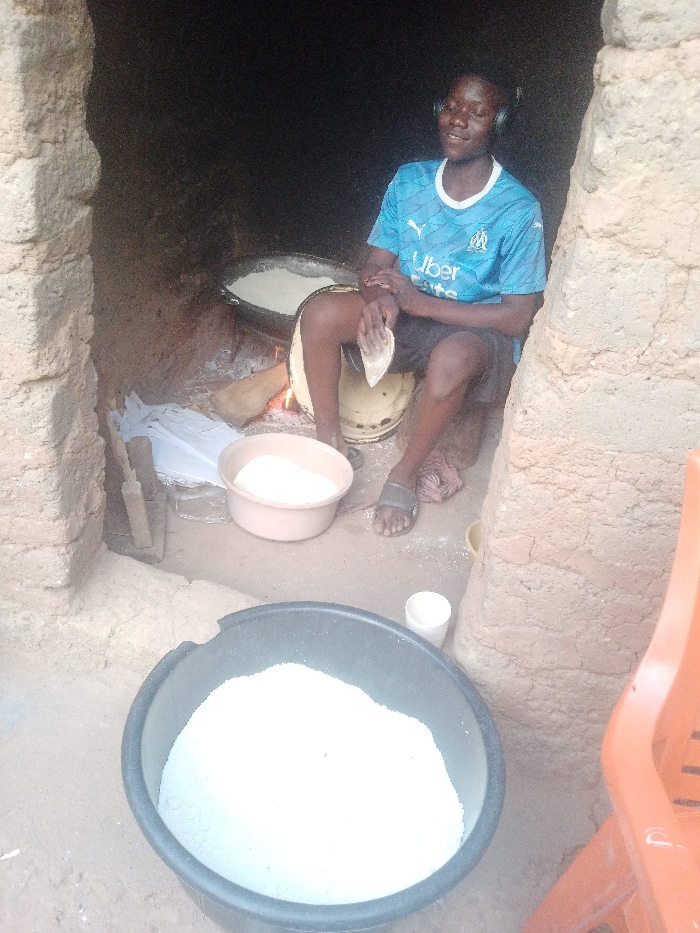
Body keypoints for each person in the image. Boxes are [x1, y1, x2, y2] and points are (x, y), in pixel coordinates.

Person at [301, 64, 546, 537]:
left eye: (476, 113)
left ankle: (404, 474)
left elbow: (518, 317)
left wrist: (421, 303)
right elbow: (375, 263)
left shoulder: (518, 210)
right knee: (321, 313)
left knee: (451, 359)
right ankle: (330, 443)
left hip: (475, 332)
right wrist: (379, 298)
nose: (457, 121)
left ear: (498, 124)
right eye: (451, 107)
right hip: (411, 315)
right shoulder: (410, 181)